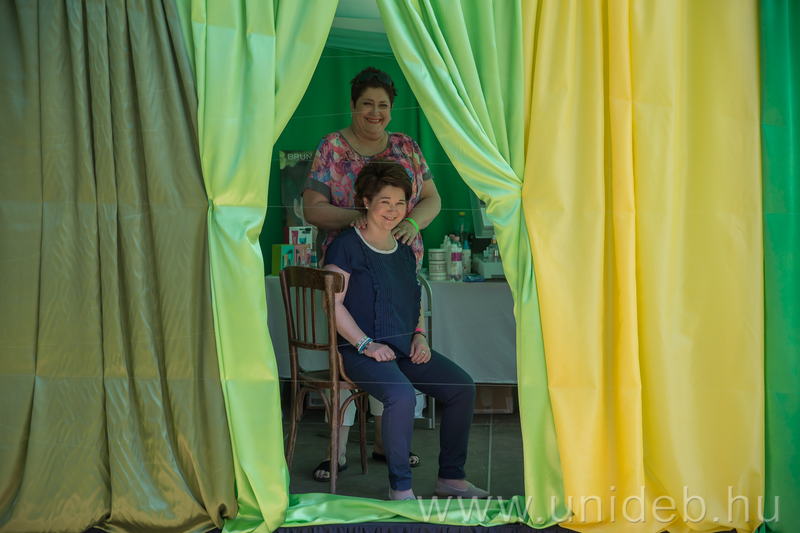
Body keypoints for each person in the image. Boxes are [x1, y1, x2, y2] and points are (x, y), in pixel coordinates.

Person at [302, 67, 442, 482]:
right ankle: (337, 451)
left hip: (399, 264)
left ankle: (387, 443)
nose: (375, 112)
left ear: (392, 109)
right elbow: (312, 208)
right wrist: (361, 220)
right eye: (367, 103)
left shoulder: (407, 146)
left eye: (383, 105)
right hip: (351, 266)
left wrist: (411, 222)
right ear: (353, 105)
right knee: (349, 355)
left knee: (393, 351)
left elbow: (432, 199)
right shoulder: (331, 147)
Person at [323, 160, 487, 500]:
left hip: (401, 348)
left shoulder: (404, 249)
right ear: (366, 201)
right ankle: (401, 488)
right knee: (401, 395)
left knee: (461, 388)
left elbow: (414, 301)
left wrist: (420, 336)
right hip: (357, 351)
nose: (394, 210)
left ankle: (451, 478)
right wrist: (366, 344)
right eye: (385, 202)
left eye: (400, 203)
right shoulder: (346, 245)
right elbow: (332, 304)